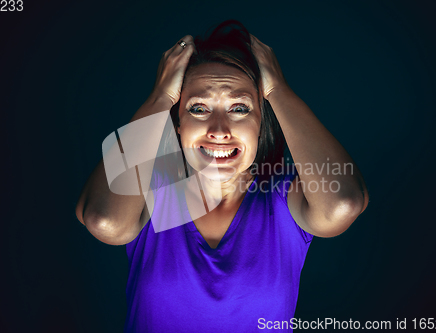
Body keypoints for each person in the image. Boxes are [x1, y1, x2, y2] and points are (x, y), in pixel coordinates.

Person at [75, 19, 369, 332]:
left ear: (260, 124)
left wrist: (277, 90)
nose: (218, 131)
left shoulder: (284, 196)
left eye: (239, 108)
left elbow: (344, 203)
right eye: (198, 109)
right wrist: (159, 96)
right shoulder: (150, 187)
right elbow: (103, 220)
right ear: (177, 124)